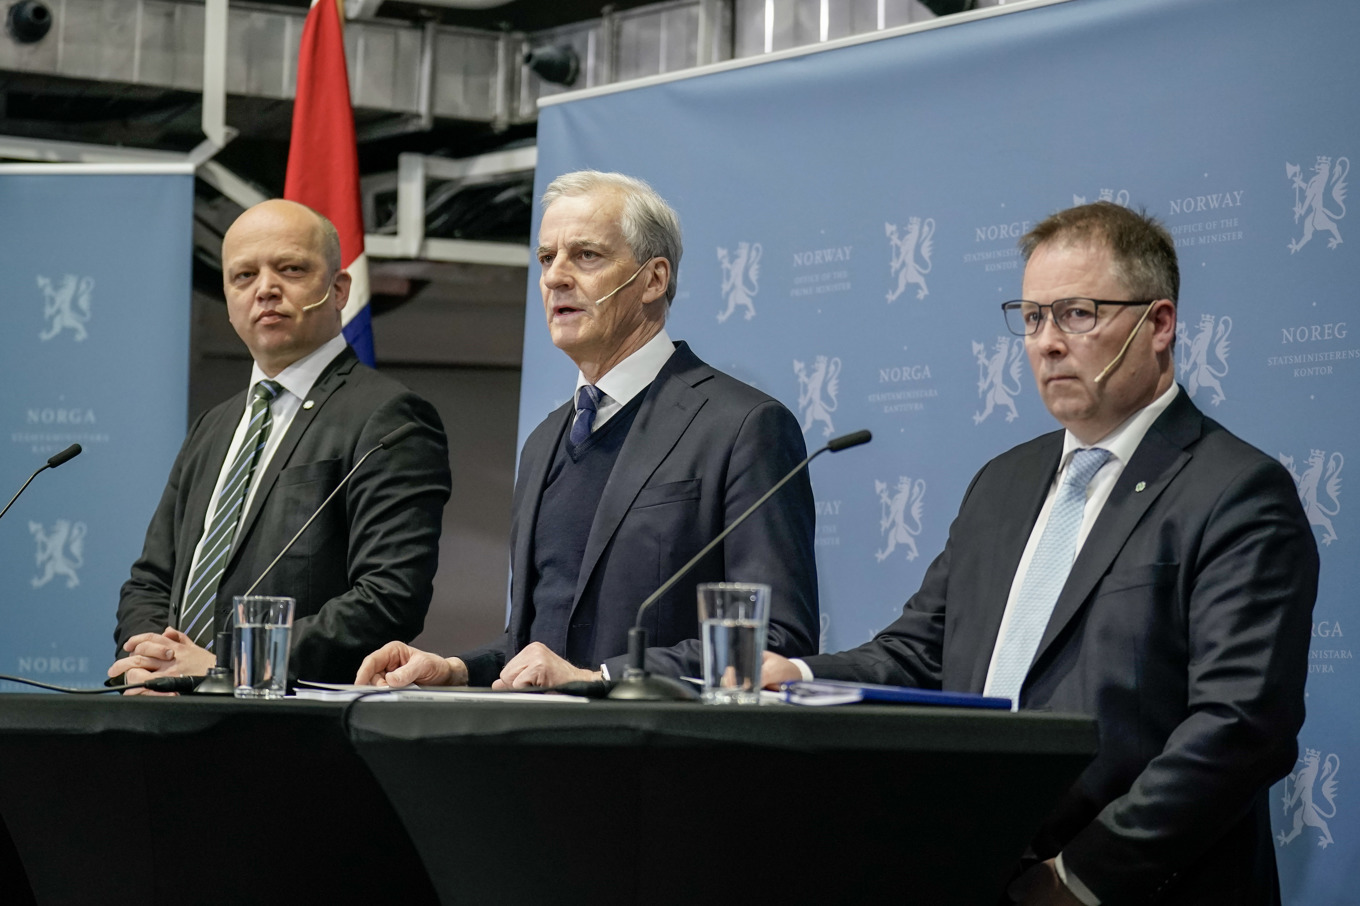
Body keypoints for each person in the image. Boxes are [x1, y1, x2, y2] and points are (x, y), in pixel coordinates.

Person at [764, 202, 1317, 906]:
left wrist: (1077, 878)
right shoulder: (1003, 482)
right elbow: (920, 653)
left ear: (1159, 324)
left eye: (1077, 314)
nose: (1047, 343)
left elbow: (1241, 729)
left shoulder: (1235, 491)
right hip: (972, 868)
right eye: (1031, 318)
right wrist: (796, 673)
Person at [357, 170, 818, 690]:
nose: (555, 277)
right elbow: (537, 643)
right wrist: (456, 670)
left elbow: (774, 640)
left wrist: (599, 677)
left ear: (653, 280)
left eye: (586, 255)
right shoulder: (543, 442)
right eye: (546, 258)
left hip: (660, 737)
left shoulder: (742, 427)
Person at [110, 199, 451, 691]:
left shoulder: (389, 418)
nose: (265, 288)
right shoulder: (214, 425)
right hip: (171, 712)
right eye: (244, 275)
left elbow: (389, 597)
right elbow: (151, 579)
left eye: (291, 269)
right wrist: (150, 659)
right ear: (228, 300)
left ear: (339, 290)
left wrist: (225, 665)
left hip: (292, 722)